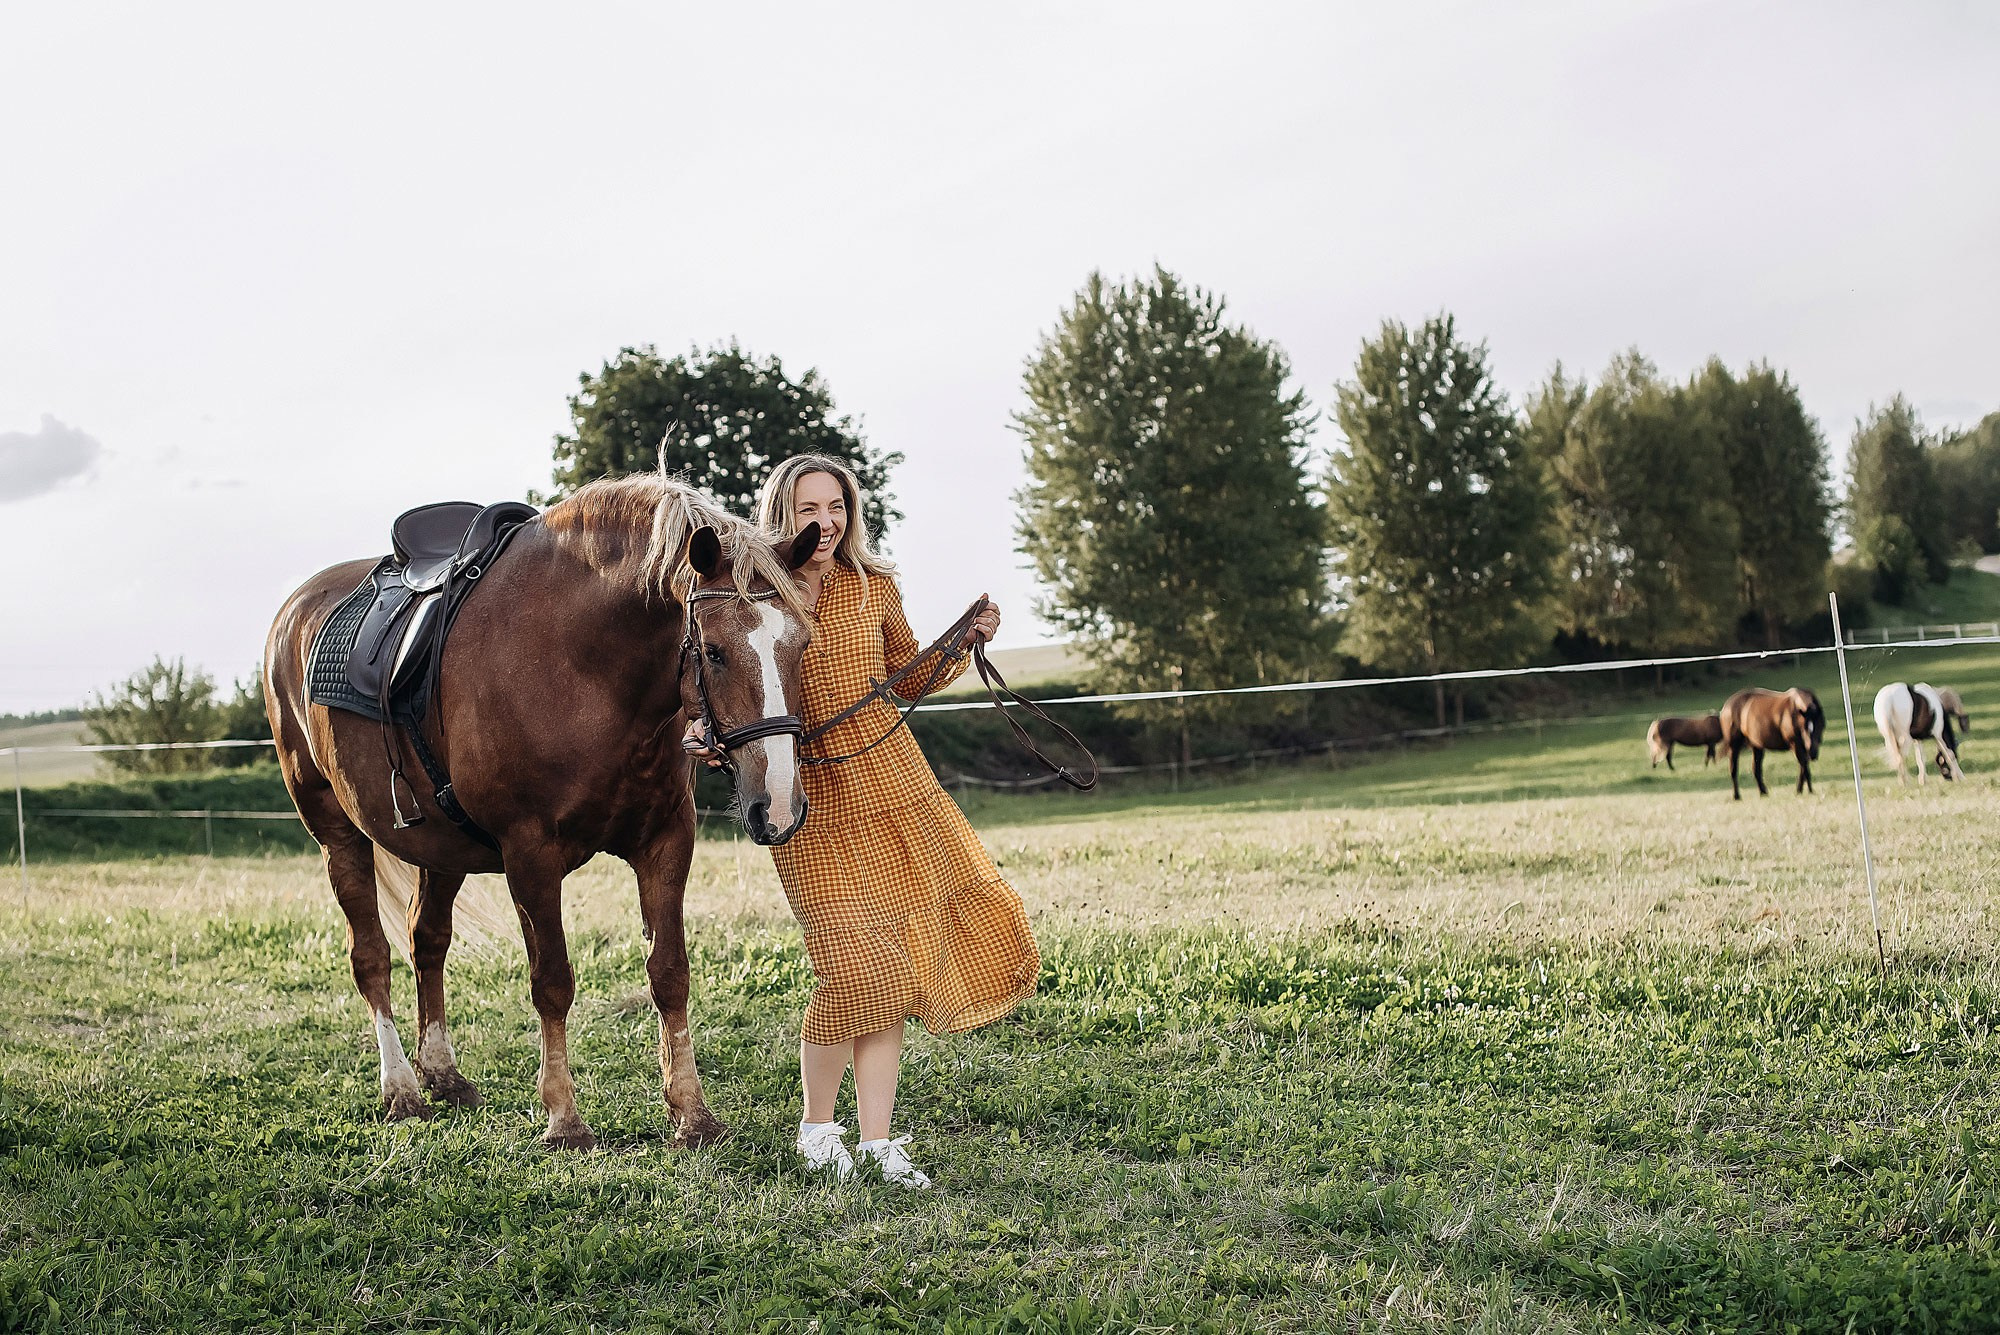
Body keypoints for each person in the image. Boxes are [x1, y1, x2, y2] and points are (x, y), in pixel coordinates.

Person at [683, 453, 1036, 1188]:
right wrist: (707, 733)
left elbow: (908, 674)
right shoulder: (755, 587)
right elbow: (730, 675)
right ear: (783, 513)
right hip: (810, 794)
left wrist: (964, 641)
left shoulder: (873, 585)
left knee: (894, 969)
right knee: (851, 966)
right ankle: (817, 1129)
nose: (826, 521)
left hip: (894, 783)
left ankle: (876, 1140)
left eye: (837, 506)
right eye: (810, 507)